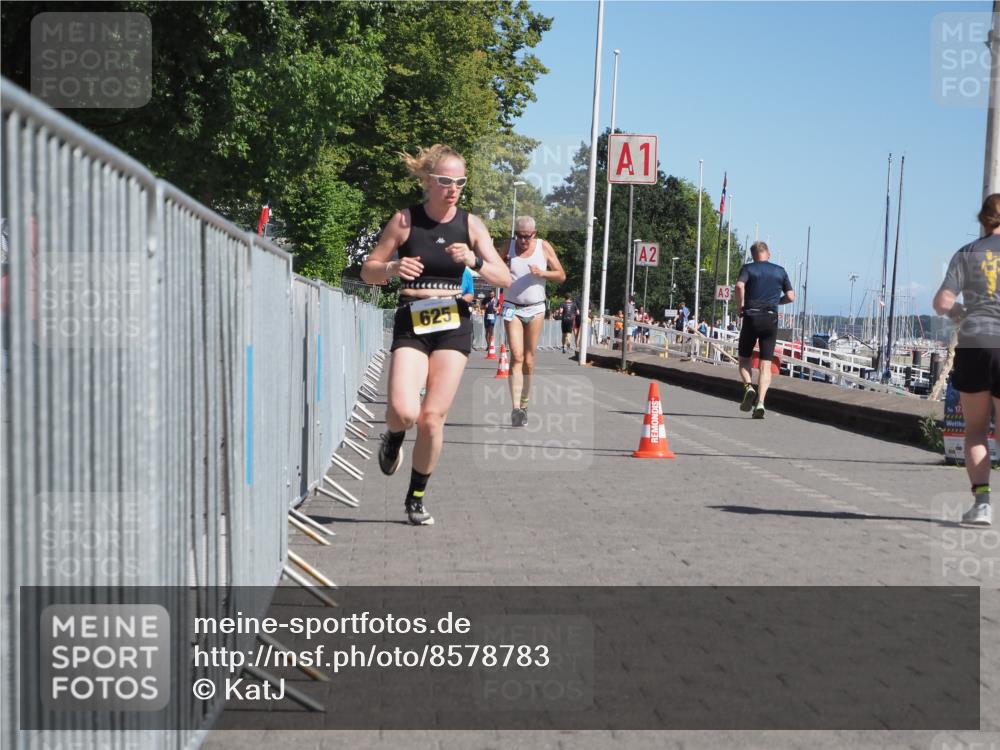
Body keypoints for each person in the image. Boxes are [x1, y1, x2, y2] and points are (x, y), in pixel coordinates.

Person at [361, 144, 511, 525]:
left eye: (460, 182)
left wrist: (474, 262)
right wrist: (393, 267)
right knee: (404, 411)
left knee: (432, 418)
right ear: (428, 180)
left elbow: (504, 276)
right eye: (445, 181)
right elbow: (369, 270)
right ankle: (393, 437)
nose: (453, 188)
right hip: (413, 317)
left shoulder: (471, 225)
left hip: (453, 322)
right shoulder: (405, 221)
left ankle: (415, 496)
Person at [932, 193, 1000, 526]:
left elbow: (942, 301)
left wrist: (961, 312)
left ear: (983, 219)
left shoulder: (967, 253)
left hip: (974, 343)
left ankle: (983, 504)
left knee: (975, 430)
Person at [503, 216, 566, 426]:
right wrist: (502, 270)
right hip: (511, 307)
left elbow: (561, 275)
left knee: (529, 361)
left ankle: (524, 404)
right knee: (517, 356)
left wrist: (543, 273)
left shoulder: (543, 247)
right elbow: (490, 266)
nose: (522, 241)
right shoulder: (508, 246)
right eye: (519, 236)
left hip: (536, 309)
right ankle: (515, 409)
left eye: (526, 237)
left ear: (534, 235)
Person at [734, 241, 794, 419]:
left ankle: (748, 387)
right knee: (765, 364)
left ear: (753, 255)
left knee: (744, 359)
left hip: (751, 317)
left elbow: (739, 286)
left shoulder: (748, 269)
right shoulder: (780, 271)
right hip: (770, 318)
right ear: (768, 253)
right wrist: (777, 302)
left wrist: (740, 307)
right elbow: (791, 297)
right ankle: (760, 403)